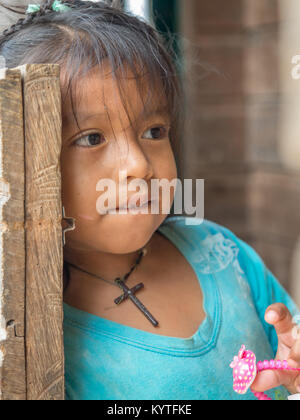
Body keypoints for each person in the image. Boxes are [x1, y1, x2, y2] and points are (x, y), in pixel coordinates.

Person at [1, 0, 299, 401]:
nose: (138, 165)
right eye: (91, 138)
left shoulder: (223, 253)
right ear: (22, 158)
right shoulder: (31, 339)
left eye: (154, 131)